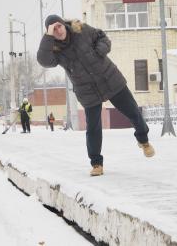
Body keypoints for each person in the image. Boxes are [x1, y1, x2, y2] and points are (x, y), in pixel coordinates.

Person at [37, 14, 155, 176]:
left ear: (64, 24)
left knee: (133, 112)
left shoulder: (81, 31)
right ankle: (96, 164)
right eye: (53, 30)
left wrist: (102, 49)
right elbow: (43, 60)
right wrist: (47, 37)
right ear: (50, 33)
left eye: (59, 26)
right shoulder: (55, 50)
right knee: (93, 128)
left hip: (110, 79)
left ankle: (143, 140)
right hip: (87, 91)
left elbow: (102, 37)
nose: (58, 31)